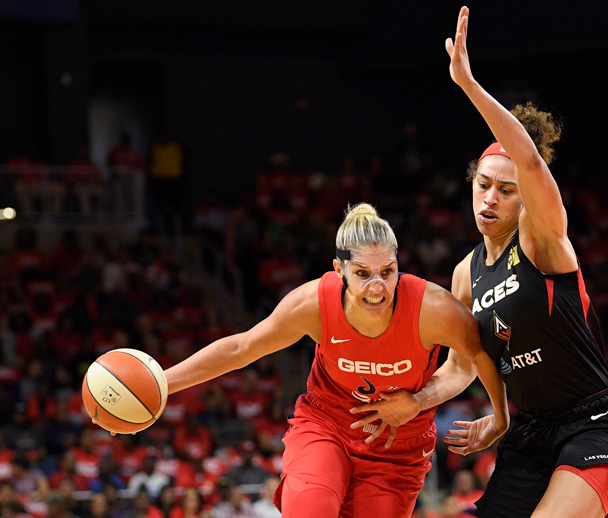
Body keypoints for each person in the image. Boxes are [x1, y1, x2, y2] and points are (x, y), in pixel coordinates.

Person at [351, 6, 608, 518]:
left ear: (525, 199)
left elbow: (529, 160)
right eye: (483, 185)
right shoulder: (465, 274)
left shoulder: (542, 241)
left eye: (506, 191)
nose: (490, 198)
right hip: (529, 434)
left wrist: (466, 84)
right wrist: (417, 402)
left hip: (594, 423)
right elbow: (461, 366)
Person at [141, 203, 508, 518]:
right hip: (327, 424)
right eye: (362, 274)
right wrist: (161, 384)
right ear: (339, 269)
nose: (377, 286)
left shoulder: (433, 308)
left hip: (397, 444)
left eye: (388, 272)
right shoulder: (313, 304)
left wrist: (423, 402)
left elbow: (472, 362)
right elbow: (242, 348)